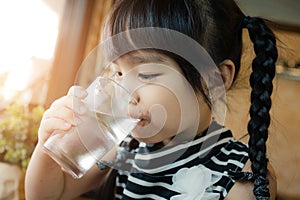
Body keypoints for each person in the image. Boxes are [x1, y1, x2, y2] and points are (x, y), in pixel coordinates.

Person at [25, 0, 278, 199]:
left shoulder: (243, 171)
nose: (125, 91)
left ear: (215, 80)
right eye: (119, 73)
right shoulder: (125, 150)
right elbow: (49, 194)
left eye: (146, 74)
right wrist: (48, 147)